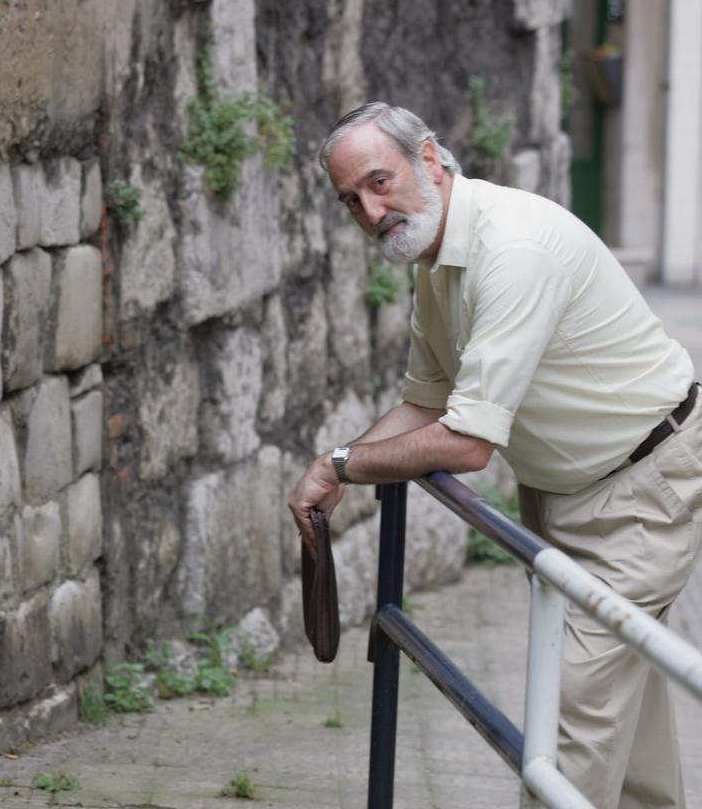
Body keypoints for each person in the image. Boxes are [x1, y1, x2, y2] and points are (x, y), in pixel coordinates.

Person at [288, 101, 701, 809]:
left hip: (640, 486)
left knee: (569, 730)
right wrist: (337, 464)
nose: (370, 209)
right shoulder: (436, 254)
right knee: (622, 712)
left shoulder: (510, 250)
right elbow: (427, 400)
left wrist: (344, 466)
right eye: (350, 199)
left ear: (429, 159)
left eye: (379, 181)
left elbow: (467, 444)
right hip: (569, 488)